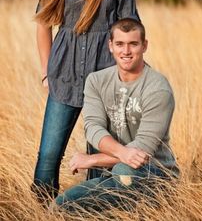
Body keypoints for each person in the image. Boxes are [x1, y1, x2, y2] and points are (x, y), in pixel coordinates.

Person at [32, 0, 140, 201]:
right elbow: (43, 25)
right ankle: (41, 211)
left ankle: (89, 208)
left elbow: (129, 32)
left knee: (100, 157)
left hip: (105, 82)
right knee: (48, 155)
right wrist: (46, 71)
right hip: (64, 76)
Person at [54, 18, 179, 212]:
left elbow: (140, 154)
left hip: (156, 175)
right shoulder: (96, 81)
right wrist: (122, 153)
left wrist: (92, 160)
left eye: (133, 44)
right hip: (111, 177)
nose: (126, 51)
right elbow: (93, 128)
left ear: (144, 46)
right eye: (120, 44)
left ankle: (144, 211)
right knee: (61, 206)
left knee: (124, 170)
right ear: (110, 46)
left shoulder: (158, 89)